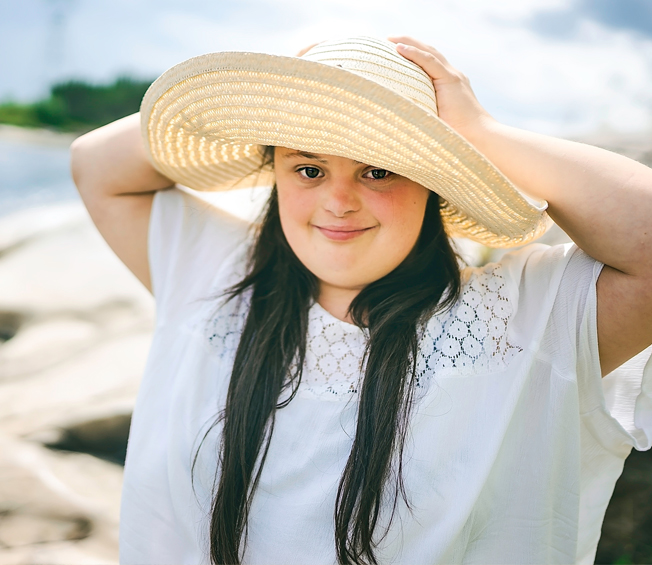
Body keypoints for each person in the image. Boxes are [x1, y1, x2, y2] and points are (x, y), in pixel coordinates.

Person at [70, 36, 652, 565]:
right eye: (308, 168)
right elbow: (96, 164)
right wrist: (274, 87)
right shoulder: (219, 278)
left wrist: (479, 134)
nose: (338, 201)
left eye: (377, 170)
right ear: (275, 173)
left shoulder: (522, 319)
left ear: (432, 185)